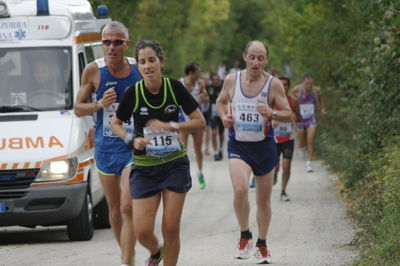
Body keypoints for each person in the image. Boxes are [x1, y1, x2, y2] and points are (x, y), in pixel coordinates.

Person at [111, 40, 205, 266]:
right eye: (142, 62)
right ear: (138, 68)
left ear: (161, 62)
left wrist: (171, 126)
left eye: (152, 60)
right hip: (145, 168)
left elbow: (199, 122)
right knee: (142, 231)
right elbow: (116, 123)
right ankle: (156, 250)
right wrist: (131, 139)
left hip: (174, 164)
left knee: (171, 228)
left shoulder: (175, 88)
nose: (147, 66)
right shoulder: (133, 93)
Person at [216, 40, 292, 264]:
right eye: (252, 57)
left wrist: (272, 113)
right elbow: (221, 102)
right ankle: (244, 235)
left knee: (264, 202)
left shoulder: (274, 84)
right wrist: (223, 117)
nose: (256, 62)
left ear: (266, 60)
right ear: (245, 57)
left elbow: (288, 113)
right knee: (240, 189)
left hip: (264, 147)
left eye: (261, 58)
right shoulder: (232, 80)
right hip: (238, 144)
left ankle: (262, 243)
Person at [73, 21, 141, 266]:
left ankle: (125, 261)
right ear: (102, 44)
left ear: (126, 43)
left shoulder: (139, 67)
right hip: (105, 148)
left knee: (127, 206)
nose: (111, 47)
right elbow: (78, 109)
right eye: (107, 42)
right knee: (114, 209)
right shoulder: (93, 70)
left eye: (117, 42)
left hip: (132, 147)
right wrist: (100, 104)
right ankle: (128, 255)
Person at [179, 62, 210, 189]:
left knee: (198, 150)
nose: (200, 73)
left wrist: (204, 97)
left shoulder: (200, 84)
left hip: (196, 122)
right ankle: (184, 175)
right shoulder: (179, 83)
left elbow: (208, 99)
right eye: (198, 71)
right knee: (182, 151)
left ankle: (200, 173)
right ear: (191, 72)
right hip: (184, 122)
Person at [273, 76, 302, 201]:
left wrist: (296, 117)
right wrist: (272, 120)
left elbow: (300, 117)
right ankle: (274, 175)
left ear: (288, 86)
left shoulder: (293, 101)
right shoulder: (271, 100)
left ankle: (283, 191)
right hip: (273, 138)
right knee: (276, 166)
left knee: (286, 165)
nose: (283, 86)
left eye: (286, 84)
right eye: (281, 84)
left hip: (288, 138)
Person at [291, 73, 326, 172]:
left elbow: (321, 99)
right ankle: (302, 148)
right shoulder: (296, 90)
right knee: (302, 141)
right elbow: (290, 100)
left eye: (311, 83)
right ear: (303, 82)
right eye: (307, 83)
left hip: (311, 118)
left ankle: (309, 163)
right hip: (300, 119)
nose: (309, 86)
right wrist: (293, 111)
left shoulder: (316, 90)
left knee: (310, 140)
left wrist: (322, 108)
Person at [208, 73, 225, 161]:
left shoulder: (223, 86)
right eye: (213, 80)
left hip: (221, 112)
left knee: (221, 133)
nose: (215, 81)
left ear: (219, 80)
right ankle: (215, 152)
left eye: (216, 80)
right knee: (214, 132)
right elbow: (206, 97)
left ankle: (221, 149)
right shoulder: (209, 87)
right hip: (213, 113)